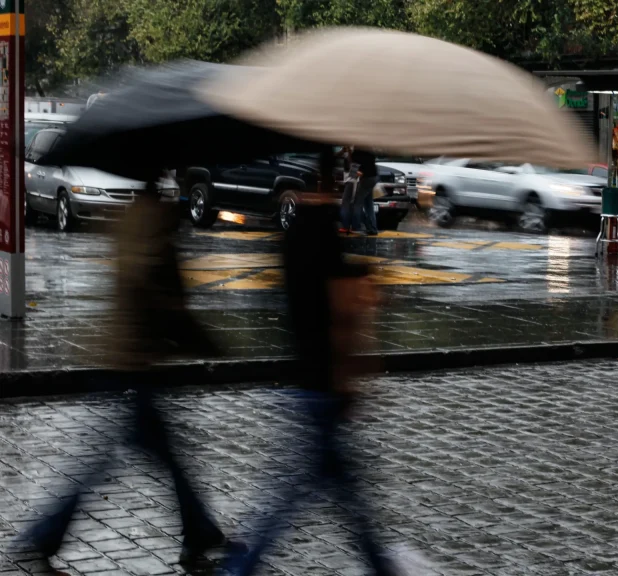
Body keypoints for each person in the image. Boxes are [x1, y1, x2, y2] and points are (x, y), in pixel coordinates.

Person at [19, 182, 239, 573]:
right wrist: (203, 340)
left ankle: (199, 528)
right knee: (109, 462)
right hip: (133, 364)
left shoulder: (134, 221)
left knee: (161, 457)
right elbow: (157, 295)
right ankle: (46, 533)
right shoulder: (151, 229)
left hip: (128, 359)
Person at [222, 148, 418, 576]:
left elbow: (307, 291)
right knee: (298, 495)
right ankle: (241, 567)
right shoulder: (323, 231)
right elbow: (337, 305)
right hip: (322, 382)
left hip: (304, 375)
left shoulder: (293, 232)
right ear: (333, 184)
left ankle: (377, 564)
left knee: (334, 493)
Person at [350, 147, 379, 236]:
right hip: (373, 176)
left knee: (357, 204)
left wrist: (349, 152)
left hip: (366, 178)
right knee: (368, 203)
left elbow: (354, 162)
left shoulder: (358, 150)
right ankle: (372, 228)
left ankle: (356, 226)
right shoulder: (369, 147)